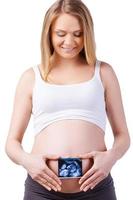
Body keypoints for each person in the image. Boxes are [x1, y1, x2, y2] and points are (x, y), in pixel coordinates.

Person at [5, 0, 130, 199]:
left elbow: (123, 136)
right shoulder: (31, 77)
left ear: (87, 33)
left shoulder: (104, 73)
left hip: (95, 188)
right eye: (61, 34)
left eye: (78, 34)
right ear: (49, 34)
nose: (69, 42)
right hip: (42, 190)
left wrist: (110, 159)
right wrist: (28, 162)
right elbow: (11, 143)